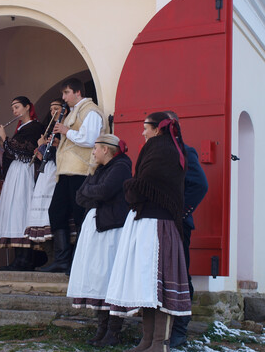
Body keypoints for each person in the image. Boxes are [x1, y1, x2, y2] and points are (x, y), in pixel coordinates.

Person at [105, 112, 192, 352]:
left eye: (146, 127)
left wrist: (129, 187)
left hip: (158, 225)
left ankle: (159, 343)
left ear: (158, 129)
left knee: (158, 286)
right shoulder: (162, 147)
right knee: (147, 285)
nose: (142, 132)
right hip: (146, 223)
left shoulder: (163, 149)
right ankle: (147, 340)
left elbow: (146, 183)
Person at [67, 134, 132, 347]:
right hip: (96, 229)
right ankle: (102, 328)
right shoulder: (101, 169)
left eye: (95, 148)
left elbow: (103, 191)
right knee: (97, 278)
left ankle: (114, 332)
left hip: (111, 229)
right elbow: (79, 196)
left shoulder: (121, 167)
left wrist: (90, 191)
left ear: (106, 149)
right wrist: (90, 191)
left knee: (109, 277)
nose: (93, 152)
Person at [39, 78, 109, 273]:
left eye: (66, 93)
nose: (63, 97)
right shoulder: (74, 111)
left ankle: (79, 261)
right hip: (68, 171)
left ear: (78, 92)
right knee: (57, 212)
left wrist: (65, 130)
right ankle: (62, 260)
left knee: (80, 216)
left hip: (82, 170)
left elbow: (90, 139)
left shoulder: (90, 111)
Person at [165, 111, 209, 348]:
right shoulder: (156, 154)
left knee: (180, 275)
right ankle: (161, 327)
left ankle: (180, 328)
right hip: (157, 224)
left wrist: (179, 213)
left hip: (178, 225)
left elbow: (200, 185)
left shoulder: (186, 151)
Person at [0, 96, 44, 270]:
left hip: (25, 172)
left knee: (22, 210)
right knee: (14, 211)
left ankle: (25, 259)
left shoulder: (35, 127)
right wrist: (1, 142)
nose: (14, 111)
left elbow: (24, 150)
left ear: (27, 107)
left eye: (17, 107)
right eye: (12, 108)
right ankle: (19, 258)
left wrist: (5, 138)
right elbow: (12, 150)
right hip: (16, 171)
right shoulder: (21, 128)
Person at [24, 99, 64, 254]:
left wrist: (43, 145)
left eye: (56, 108)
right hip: (46, 171)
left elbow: (61, 152)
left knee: (52, 210)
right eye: (51, 108)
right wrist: (41, 149)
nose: (53, 111)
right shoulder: (50, 129)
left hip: (57, 171)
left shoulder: (65, 128)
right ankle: (50, 255)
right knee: (42, 214)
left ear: (64, 110)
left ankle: (58, 256)